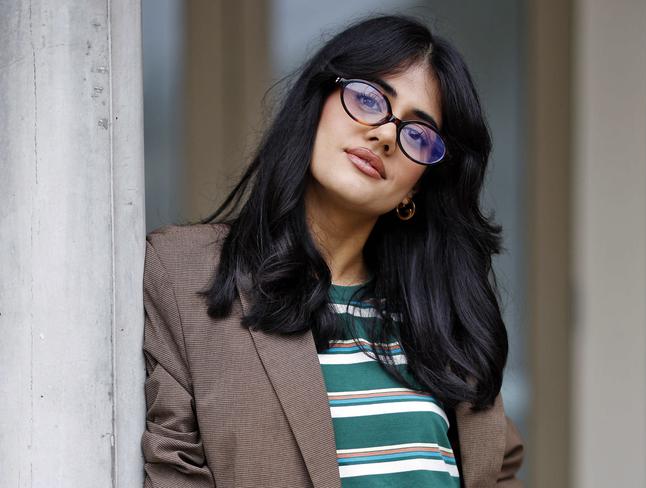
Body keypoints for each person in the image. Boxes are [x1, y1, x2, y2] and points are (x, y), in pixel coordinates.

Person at [141, 14, 525, 488]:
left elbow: (497, 468)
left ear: (419, 185)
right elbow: (171, 469)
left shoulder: (442, 315)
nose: (385, 134)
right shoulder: (183, 272)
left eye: (418, 134)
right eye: (368, 99)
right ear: (316, 102)